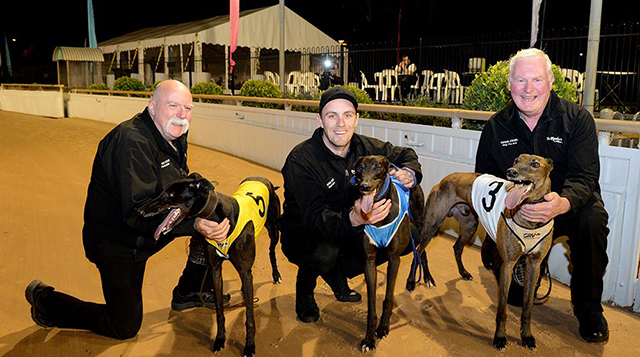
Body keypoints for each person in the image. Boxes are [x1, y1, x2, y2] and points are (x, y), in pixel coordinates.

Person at [25, 80, 231, 340]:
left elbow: (176, 183)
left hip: (151, 230)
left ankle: (188, 291)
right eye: (173, 105)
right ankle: (46, 301)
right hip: (119, 242)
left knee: (214, 213)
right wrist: (194, 225)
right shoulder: (131, 143)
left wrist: (204, 210)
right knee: (124, 325)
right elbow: (138, 213)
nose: (182, 114)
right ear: (152, 106)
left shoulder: (174, 132)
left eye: (188, 107)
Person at [475, 48, 610, 344]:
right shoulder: (496, 127)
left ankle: (588, 309)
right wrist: (502, 217)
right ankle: (528, 261)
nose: (528, 89)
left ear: (550, 82)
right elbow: (484, 178)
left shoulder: (577, 120)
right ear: (510, 85)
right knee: (511, 293)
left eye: (536, 80)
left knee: (593, 221)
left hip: (565, 207)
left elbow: (585, 177)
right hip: (519, 214)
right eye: (521, 81)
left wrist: (561, 204)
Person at [280, 86, 422, 323]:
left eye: (347, 115)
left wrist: (410, 172)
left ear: (356, 119)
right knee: (325, 253)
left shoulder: (366, 147)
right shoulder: (301, 159)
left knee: (409, 237)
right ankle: (304, 290)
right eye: (331, 115)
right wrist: (354, 219)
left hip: (350, 227)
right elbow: (315, 217)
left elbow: (405, 153)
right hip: (308, 232)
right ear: (320, 120)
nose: (340, 124)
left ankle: (338, 276)